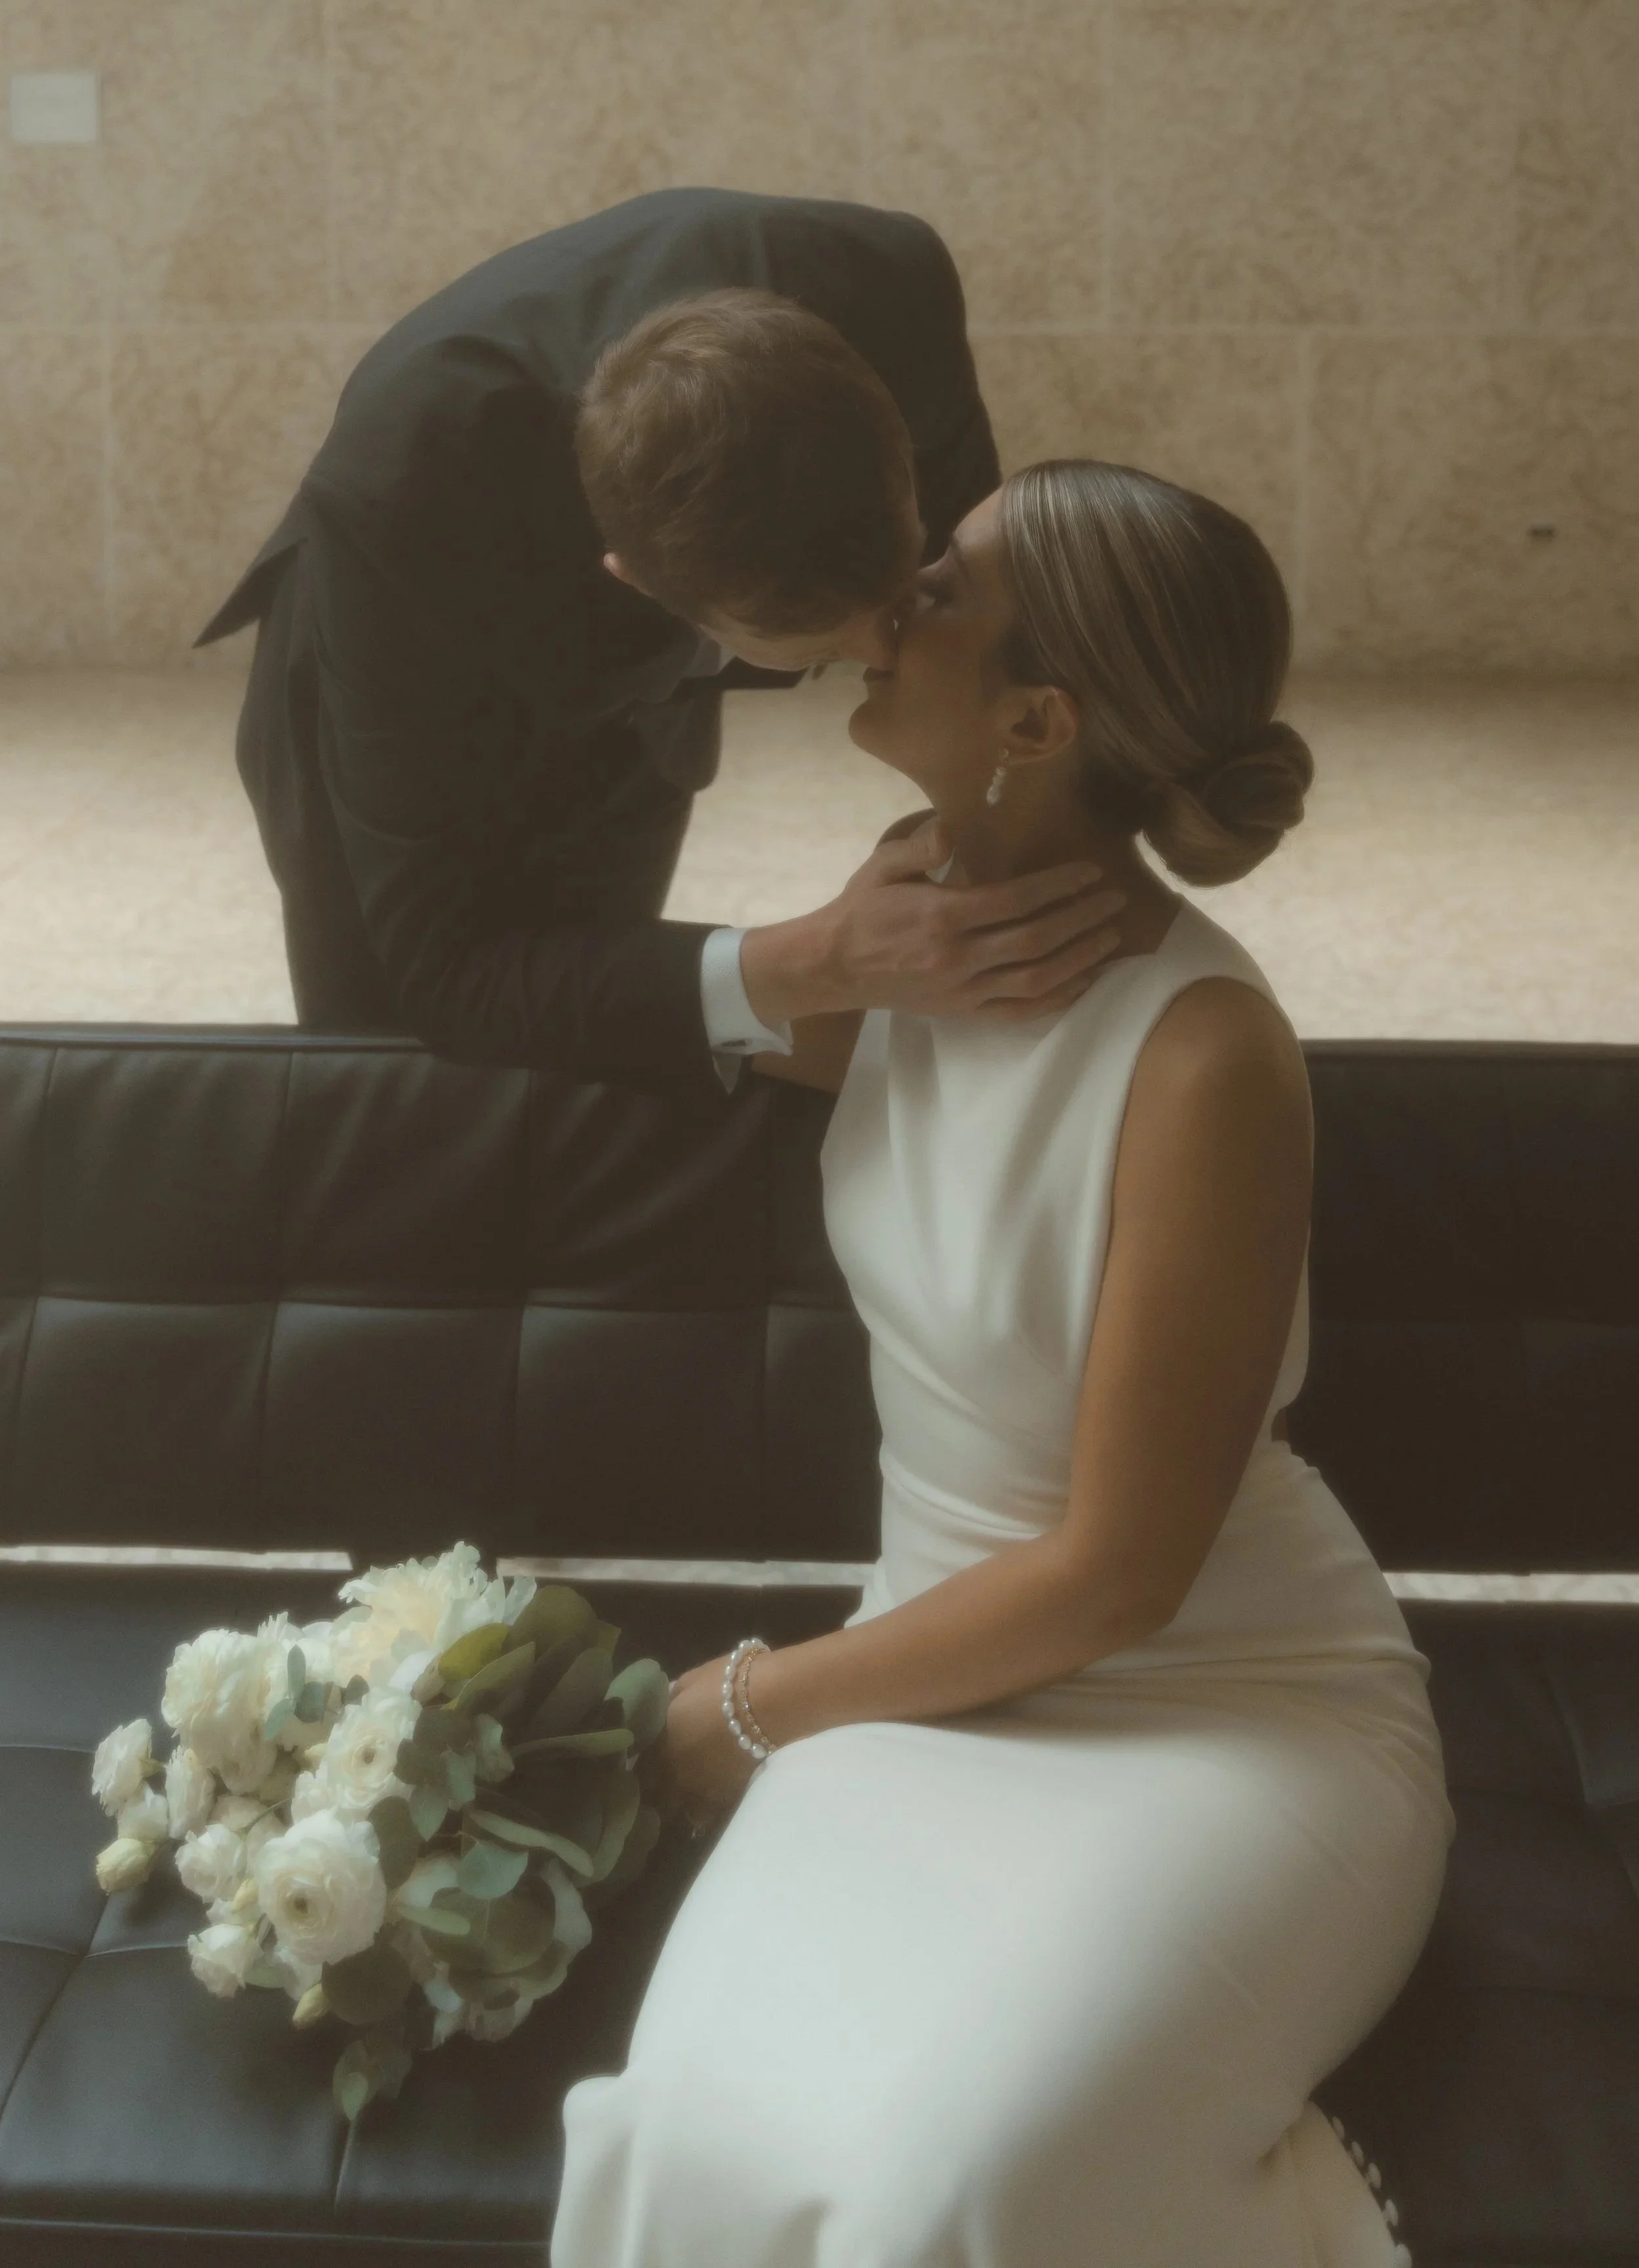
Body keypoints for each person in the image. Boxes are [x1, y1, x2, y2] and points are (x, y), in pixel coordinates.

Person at [549, 461, 1454, 2267]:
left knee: (955, 2194)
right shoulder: (906, 908)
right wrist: (823, 954)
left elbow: (1121, 1572)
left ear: (1035, 719)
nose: (887, 592)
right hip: (935, 1685)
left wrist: (742, 1703)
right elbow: (639, 1021)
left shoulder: (1204, 1054)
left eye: (938, 586)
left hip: (1225, 1713)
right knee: (678, 2133)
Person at [195, 189, 1127, 1095]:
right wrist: (822, 957)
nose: (888, 655)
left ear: (894, 451)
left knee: (598, 1032)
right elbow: (444, 978)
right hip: (408, 629)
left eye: (907, 594)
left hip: (622, 646)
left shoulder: (892, 288)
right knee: (395, 1073)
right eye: (826, 649)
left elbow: (995, 641)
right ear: (640, 588)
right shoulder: (401, 494)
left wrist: (1006, 864)